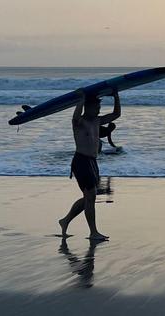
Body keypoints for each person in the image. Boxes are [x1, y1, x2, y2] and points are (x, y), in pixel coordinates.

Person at [58, 90, 120, 240]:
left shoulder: (97, 121)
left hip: (92, 162)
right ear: (88, 107)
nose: (98, 110)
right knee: (90, 196)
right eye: (96, 108)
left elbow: (116, 114)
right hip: (81, 161)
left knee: (89, 197)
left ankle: (65, 220)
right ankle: (93, 232)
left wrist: (116, 96)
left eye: (99, 108)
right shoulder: (79, 122)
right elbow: (75, 117)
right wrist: (82, 98)